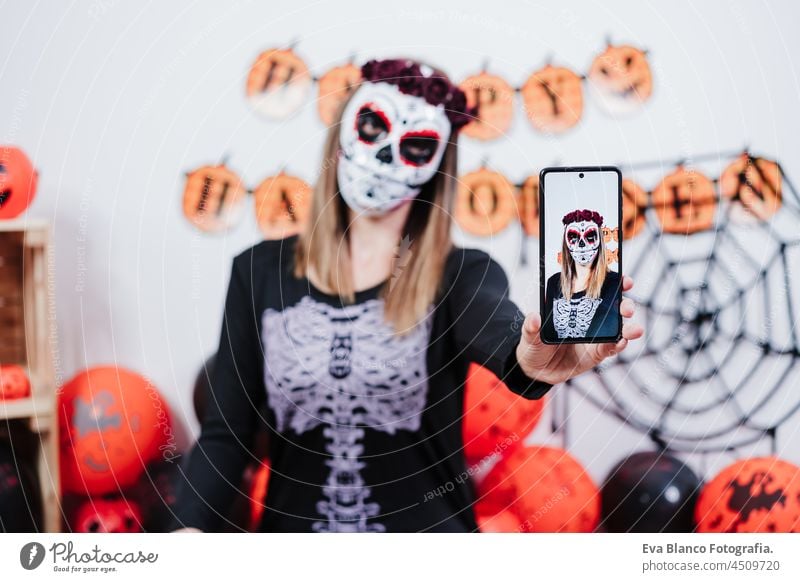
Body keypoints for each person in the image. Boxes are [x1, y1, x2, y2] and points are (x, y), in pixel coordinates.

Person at [172, 59, 642, 533]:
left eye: (415, 144)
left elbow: (505, 342)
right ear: (340, 133)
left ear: (438, 166)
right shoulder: (257, 272)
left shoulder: (460, 275)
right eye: (373, 125)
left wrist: (533, 362)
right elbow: (226, 437)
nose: (384, 156)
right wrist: (187, 531)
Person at [542, 209, 622, 340]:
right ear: (566, 244)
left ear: (600, 241)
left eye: (590, 236)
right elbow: (548, 329)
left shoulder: (613, 281)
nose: (582, 244)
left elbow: (604, 323)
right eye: (574, 237)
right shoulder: (554, 282)